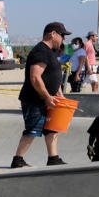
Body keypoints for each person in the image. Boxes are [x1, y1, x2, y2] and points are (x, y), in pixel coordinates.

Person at [11, 22, 68, 168]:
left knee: (51, 128)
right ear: (52, 34)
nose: (63, 39)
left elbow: (53, 77)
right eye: (62, 35)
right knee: (33, 129)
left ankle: (53, 158)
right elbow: (35, 77)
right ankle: (18, 159)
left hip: (48, 99)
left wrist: (60, 95)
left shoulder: (52, 52)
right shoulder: (41, 51)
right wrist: (47, 97)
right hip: (35, 99)